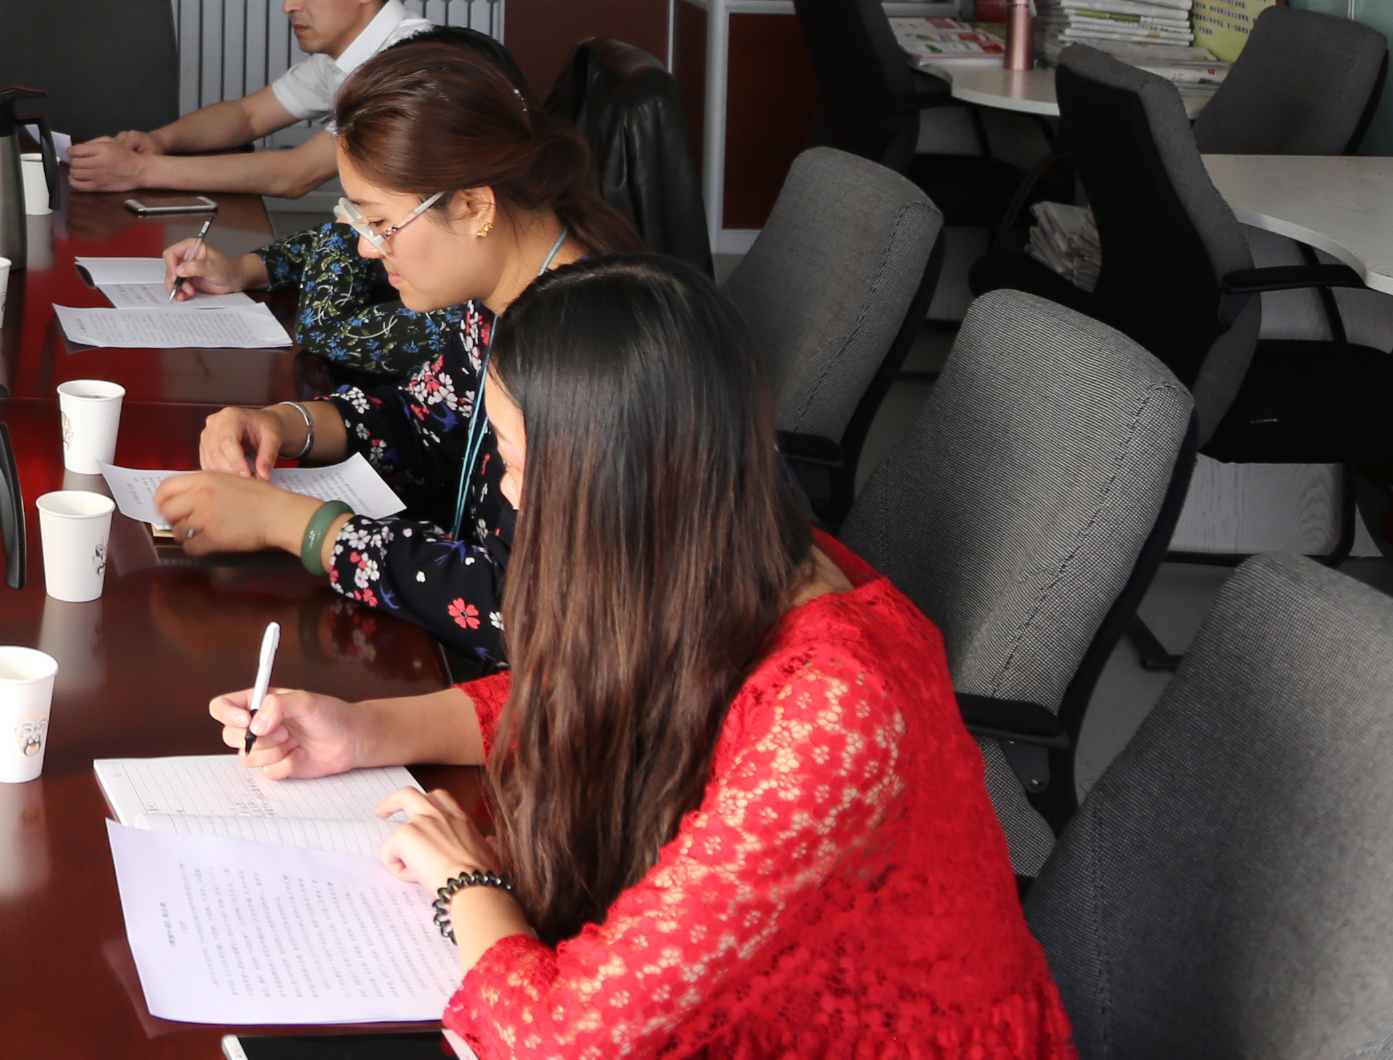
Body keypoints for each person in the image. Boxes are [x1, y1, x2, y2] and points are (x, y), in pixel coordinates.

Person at [207, 256, 1066, 1057]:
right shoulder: (722, 553)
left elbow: (562, 1041)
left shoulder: (833, 710)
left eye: (514, 460)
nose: (506, 491)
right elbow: (602, 690)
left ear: (609, 480)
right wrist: (361, 732)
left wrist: (465, 885)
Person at [153, 41, 641, 664]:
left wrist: (297, 526)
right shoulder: (501, 294)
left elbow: (522, 610)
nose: (365, 248)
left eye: (381, 223)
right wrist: (284, 423)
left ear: (473, 206)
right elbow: (425, 420)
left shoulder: (585, 356)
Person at [69, 0, 443, 375]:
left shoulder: (408, 67)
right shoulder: (343, 59)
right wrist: (159, 142)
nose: (289, 4)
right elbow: (247, 116)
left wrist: (142, 171)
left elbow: (295, 174)